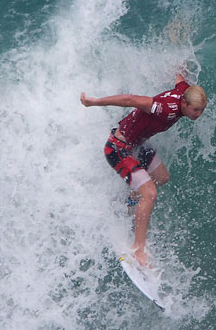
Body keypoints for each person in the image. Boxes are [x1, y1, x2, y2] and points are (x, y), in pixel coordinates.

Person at [80, 74, 207, 267]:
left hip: (136, 146)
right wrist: (94, 102)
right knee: (149, 193)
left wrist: (179, 53)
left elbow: (180, 77)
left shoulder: (184, 92)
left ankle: (129, 201)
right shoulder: (164, 109)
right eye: (196, 110)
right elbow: (130, 100)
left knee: (162, 177)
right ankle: (137, 250)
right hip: (118, 148)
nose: (198, 115)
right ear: (184, 103)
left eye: (201, 110)